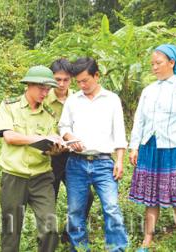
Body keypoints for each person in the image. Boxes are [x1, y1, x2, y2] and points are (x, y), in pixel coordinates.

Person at [129, 44, 176, 252]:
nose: (154, 67)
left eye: (158, 63)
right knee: (151, 198)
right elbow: (139, 120)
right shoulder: (148, 91)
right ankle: (147, 239)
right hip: (150, 147)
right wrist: (134, 146)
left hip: (175, 148)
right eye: (152, 64)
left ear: (172, 63)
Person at [0, 65, 66, 252]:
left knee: (50, 228)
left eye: (48, 89)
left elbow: (48, 145)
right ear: (29, 85)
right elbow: (9, 136)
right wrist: (40, 139)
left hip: (42, 177)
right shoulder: (9, 107)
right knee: (11, 230)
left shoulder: (49, 114)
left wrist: (55, 149)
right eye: (42, 88)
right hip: (14, 176)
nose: (45, 92)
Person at [59, 57, 128, 252]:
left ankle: (116, 249)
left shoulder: (112, 100)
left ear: (96, 76)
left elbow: (119, 133)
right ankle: (80, 248)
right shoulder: (73, 100)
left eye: (85, 80)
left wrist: (120, 161)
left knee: (112, 208)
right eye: (78, 82)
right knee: (75, 211)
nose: (82, 85)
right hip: (76, 163)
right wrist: (71, 136)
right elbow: (63, 126)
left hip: (103, 162)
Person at [44, 58, 94, 243]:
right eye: (58, 79)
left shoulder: (79, 98)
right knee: (50, 197)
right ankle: (48, 238)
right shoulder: (44, 98)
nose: (62, 84)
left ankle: (69, 232)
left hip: (73, 155)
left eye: (66, 79)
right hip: (50, 156)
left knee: (86, 196)